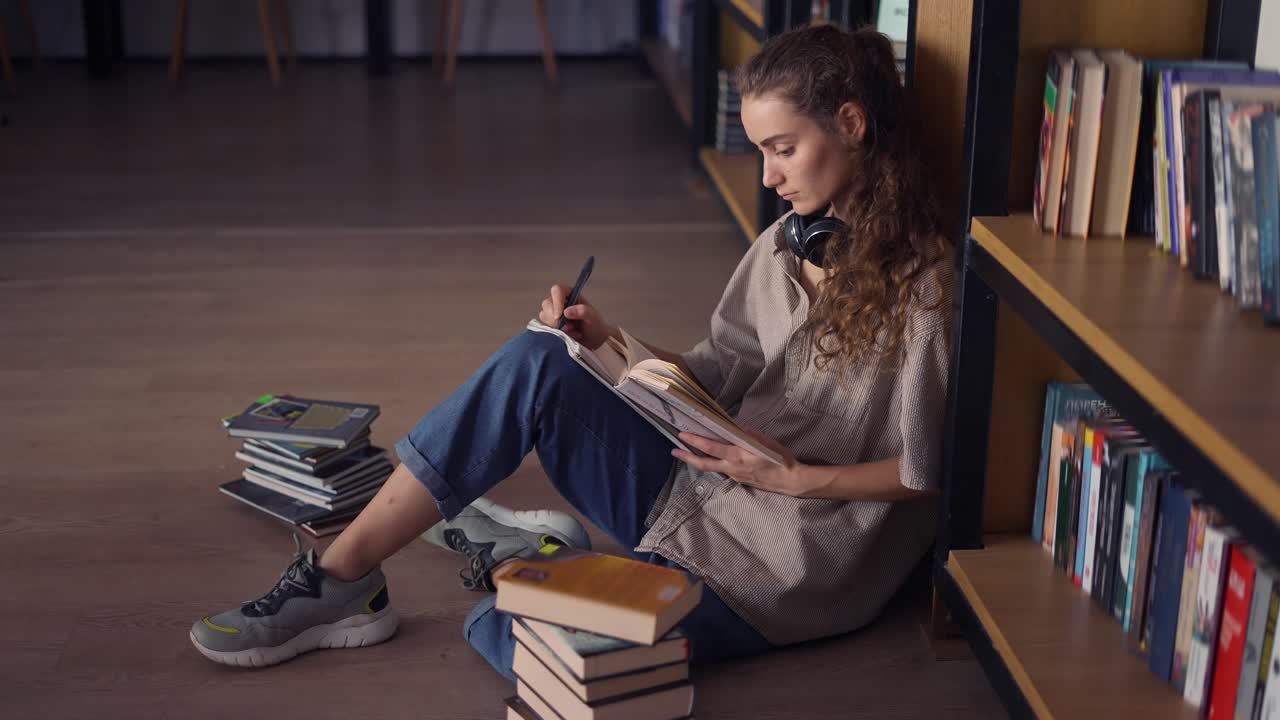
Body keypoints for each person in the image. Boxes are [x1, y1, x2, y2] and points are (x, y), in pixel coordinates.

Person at [189, 23, 953, 679]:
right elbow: (715, 376)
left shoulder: (927, 290)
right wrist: (608, 341)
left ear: (850, 123)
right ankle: (340, 579)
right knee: (541, 357)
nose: (768, 175)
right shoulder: (782, 249)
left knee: (501, 629)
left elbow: (930, 473)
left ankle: (535, 558)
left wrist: (794, 477)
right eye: (759, 150)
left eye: (783, 148)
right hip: (700, 494)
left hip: (776, 571)